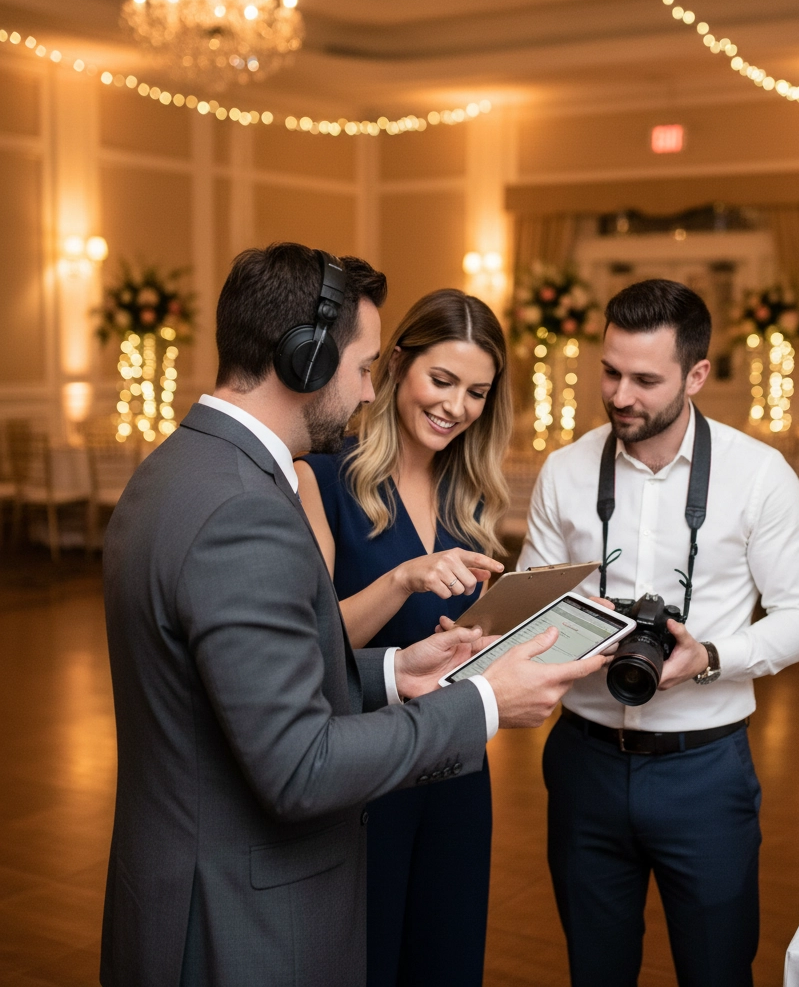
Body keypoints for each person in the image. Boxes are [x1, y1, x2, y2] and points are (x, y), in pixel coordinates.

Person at [99, 243, 609, 987]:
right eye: (367, 366)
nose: (370, 390)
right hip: (238, 909)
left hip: (192, 877)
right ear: (305, 360)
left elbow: (265, 679)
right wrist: (483, 702)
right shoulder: (248, 509)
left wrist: (401, 669)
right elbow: (299, 765)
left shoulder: (177, 470)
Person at [518, 278, 799, 987]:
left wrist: (711, 657)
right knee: (595, 971)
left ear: (697, 375)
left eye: (645, 379)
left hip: (706, 772)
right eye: (610, 371)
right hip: (583, 764)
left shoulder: (759, 476)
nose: (621, 394)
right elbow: (534, 611)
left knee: (716, 972)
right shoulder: (564, 472)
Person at [296, 288, 511, 987]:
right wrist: (404, 580)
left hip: (456, 764)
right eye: (442, 381)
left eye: (477, 392)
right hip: (363, 771)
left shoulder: (469, 490)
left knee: (447, 961)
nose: (456, 407)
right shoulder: (322, 475)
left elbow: (463, 635)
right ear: (395, 365)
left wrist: (489, 638)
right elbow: (316, 646)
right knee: (367, 961)